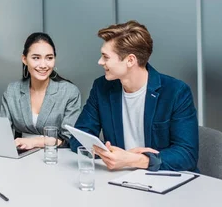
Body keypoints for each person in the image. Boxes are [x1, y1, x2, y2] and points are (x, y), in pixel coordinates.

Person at [70, 21, 199, 172]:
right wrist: (109, 154)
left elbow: (187, 155)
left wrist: (134, 160)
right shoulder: (102, 88)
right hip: (118, 178)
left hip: (163, 180)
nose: (100, 62)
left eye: (105, 57)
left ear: (130, 60)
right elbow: (78, 138)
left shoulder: (176, 92)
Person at [0, 32, 81, 150]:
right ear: (24, 59)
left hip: (57, 155)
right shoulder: (12, 90)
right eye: (36, 58)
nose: (43, 65)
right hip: (22, 155)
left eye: (49, 58)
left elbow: (69, 138)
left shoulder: (69, 92)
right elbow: (3, 133)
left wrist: (35, 142)